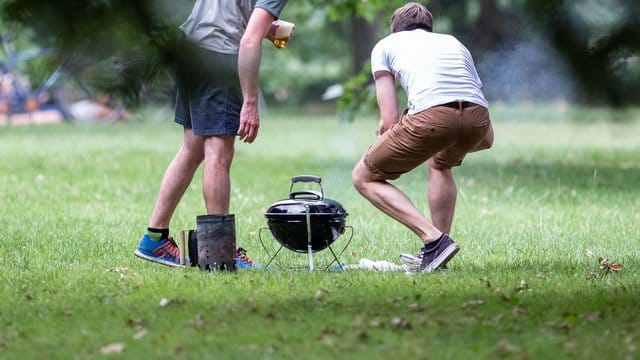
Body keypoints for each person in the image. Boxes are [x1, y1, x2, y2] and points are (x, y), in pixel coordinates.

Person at [134, 0, 289, 267]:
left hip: (189, 48)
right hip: (219, 55)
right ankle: (220, 252)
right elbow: (249, 43)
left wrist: (261, 26)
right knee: (219, 151)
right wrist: (250, 102)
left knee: (193, 146)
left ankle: (154, 239)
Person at [351, 2, 494, 272]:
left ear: (394, 29)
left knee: (363, 177)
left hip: (433, 117)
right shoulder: (453, 42)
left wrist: (387, 138)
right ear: (429, 28)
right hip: (478, 119)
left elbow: (390, 119)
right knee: (440, 162)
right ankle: (438, 255)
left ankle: (434, 240)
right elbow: (486, 137)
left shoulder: (386, 45)